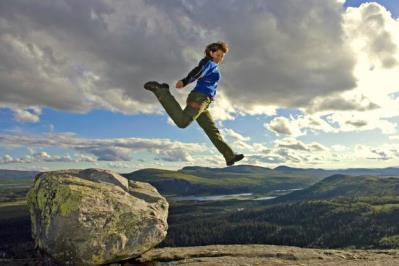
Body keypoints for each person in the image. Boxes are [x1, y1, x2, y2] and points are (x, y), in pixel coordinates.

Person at [144, 41, 244, 166]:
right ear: (211, 53)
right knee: (182, 122)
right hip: (199, 99)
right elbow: (198, 71)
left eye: (222, 56)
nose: (220, 58)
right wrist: (185, 81)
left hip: (205, 103)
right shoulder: (208, 63)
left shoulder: (214, 65)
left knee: (212, 130)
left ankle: (229, 156)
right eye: (218, 55)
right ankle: (161, 91)